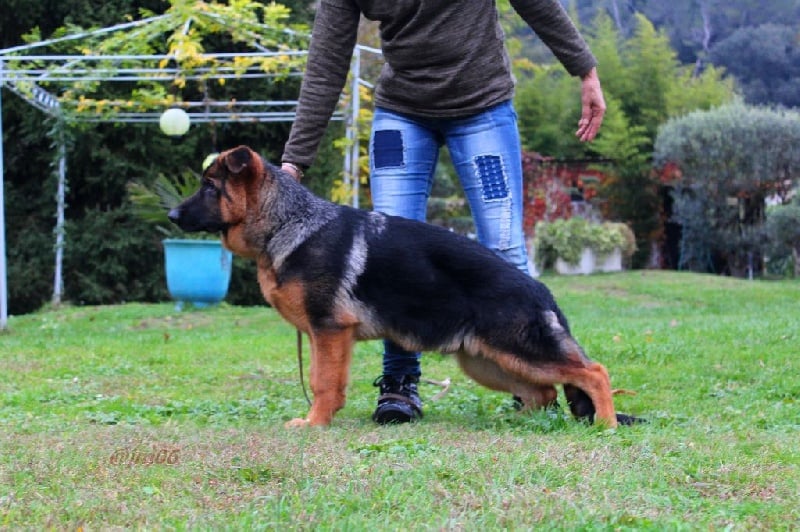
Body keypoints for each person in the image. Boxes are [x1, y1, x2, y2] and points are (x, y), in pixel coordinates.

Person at [281, 0, 606, 424]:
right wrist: (294, 161)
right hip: (400, 114)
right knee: (389, 260)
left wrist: (585, 70)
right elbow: (326, 62)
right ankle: (399, 385)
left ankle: (539, 383)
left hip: (483, 108)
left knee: (505, 248)